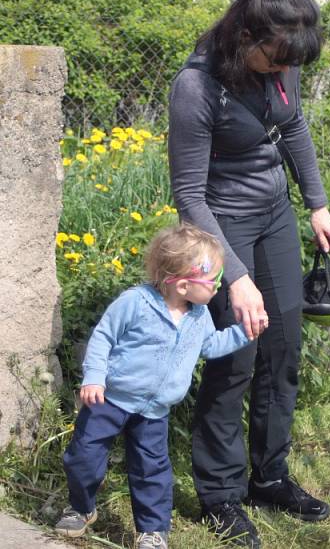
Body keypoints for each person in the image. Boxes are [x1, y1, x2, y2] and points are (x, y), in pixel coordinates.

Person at [167, 0, 330, 548]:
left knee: (284, 346)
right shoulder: (196, 88)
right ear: (246, 34)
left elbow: (293, 127)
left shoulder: (282, 58)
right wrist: (235, 277)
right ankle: (220, 495)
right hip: (220, 226)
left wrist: (317, 205)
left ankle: (269, 476)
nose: (284, 69)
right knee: (235, 358)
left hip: (274, 218)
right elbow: (190, 197)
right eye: (277, 57)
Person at [55, 224, 263, 549]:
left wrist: (243, 334)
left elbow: (210, 347)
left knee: (152, 471)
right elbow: (104, 337)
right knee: (83, 458)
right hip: (109, 399)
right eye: (214, 280)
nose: (219, 285)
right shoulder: (135, 303)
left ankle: (153, 530)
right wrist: (94, 376)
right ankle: (81, 508)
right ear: (182, 285)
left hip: (154, 411)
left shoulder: (200, 316)